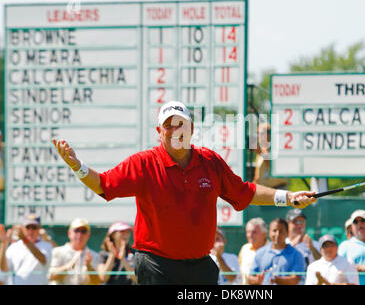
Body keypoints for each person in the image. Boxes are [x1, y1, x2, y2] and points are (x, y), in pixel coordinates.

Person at [52, 100, 317, 285]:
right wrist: (78, 166)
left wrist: (289, 197)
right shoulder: (144, 163)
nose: (176, 129)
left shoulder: (210, 161)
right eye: (169, 124)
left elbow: (244, 192)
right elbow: (104, 185)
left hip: (200, 265)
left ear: (191, 129)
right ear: (159, 131)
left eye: (182, 124)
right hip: (156, 264)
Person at [248, 218, 305, 285]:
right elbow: (250, 277)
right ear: (269, 232)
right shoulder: (260, 253)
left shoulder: (297, 255)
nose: (277, 234)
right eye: (274, 230)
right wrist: (257, 280)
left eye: (281, 231)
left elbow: (295, 279)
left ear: (287, 233)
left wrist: (276, 280)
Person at [0, 214, 53, 285]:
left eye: (34, 227)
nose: (31, 230)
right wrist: (4, 244)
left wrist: (25, 240)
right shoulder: (14, 247)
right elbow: (4, 269)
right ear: (23, 228)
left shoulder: (47, 246)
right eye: (28, 227)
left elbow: (42, 259)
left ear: (39, 229)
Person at [48, 218, 101, 285]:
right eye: (76, 230)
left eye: (83, 231)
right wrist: (69, 266)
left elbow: (97, 282)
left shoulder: (94, 255)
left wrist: (89, 267)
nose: (80, 234)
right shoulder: (57, 252)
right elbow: (51, 276)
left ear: (88, 235)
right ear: (69, 233)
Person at [97, 221, 136, 285]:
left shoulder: (134, 253)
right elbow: (103, 278)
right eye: (122, 231)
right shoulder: (103, 254)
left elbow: (136, 279)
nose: (126, 234)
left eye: (128, 231)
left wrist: (123, 259)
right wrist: (112, 255)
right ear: (113, 235)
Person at [252, 122, 288, 189]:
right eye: (257, 133)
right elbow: (257, 176)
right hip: (264, 189)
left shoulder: (278, 148)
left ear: (269, 134)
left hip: (278, 189)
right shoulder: (261, 151)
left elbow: (270, 164)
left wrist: (261, 150)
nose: (258, 136)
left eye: (261, 133)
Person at [238, 217, 270, 285]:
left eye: (254, 232)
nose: (250, 235)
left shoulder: (272, 250)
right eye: (248, 232)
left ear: (264, 233)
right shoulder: (245, 248)